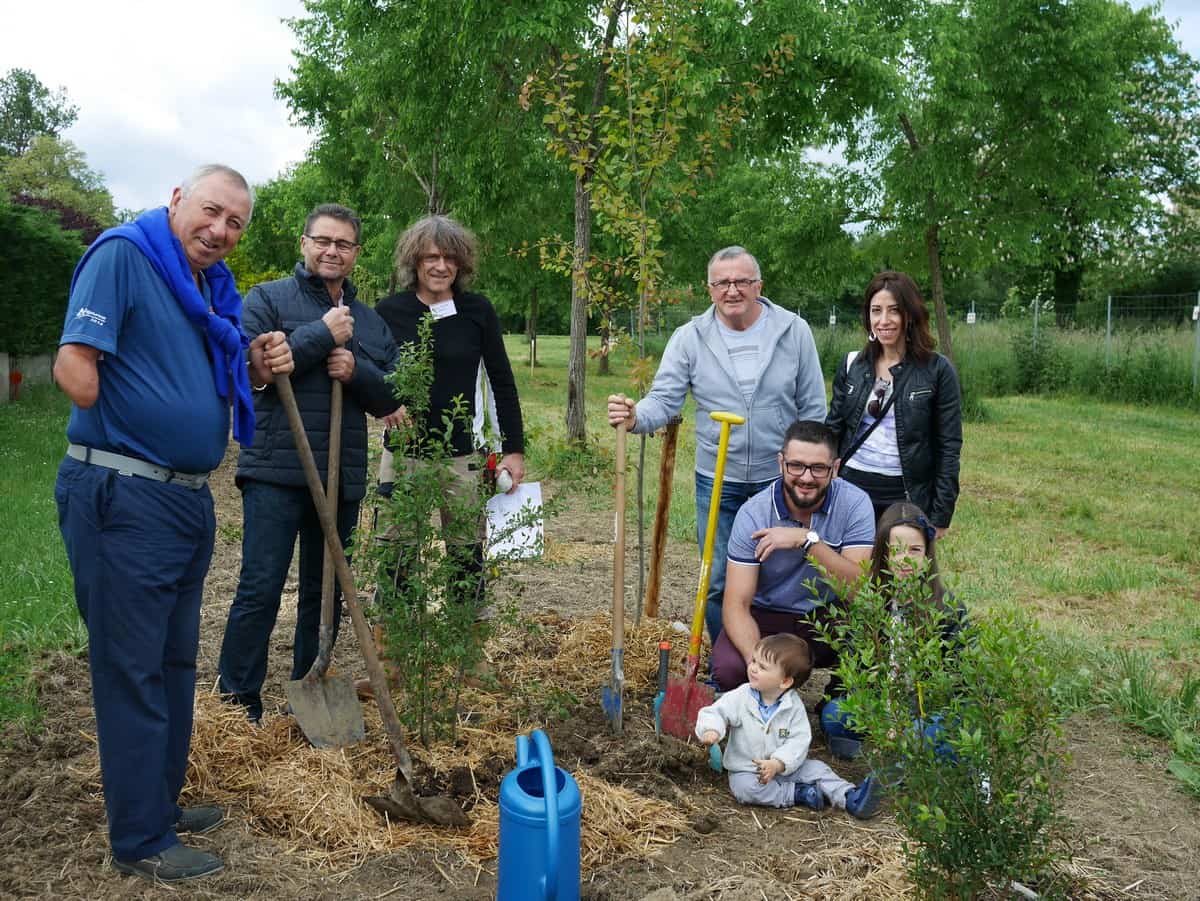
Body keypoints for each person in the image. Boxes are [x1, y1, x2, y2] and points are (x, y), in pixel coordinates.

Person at [53, 164, 293, 882]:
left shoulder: (206, 291)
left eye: (235, 224)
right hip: (124, 494)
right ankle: (139, 838)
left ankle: (158, 799)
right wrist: (98, 393)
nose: (220, 230)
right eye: (212, 211)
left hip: (185, 498)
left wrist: (250, 367)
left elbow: (196, 379)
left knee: (174, 663)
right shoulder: (125, 254)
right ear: (176, 200)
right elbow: (76, 362)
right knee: (131, 670)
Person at [217, 203, 400, 723]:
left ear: (356, 254)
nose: (331, 251)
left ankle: (308, 690)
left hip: (339, 477)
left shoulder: (370, 321)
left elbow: (394, 396)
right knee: (260, 585)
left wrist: (356, 369)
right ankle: (237, 702)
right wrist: (322, 335)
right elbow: (253, 373)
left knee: (324, 593)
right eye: (322, 240)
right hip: (276, 471)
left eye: (343, 244)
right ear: (304, 244)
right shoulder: (268, 299)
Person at [607, 247, 826, 643]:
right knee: (720, 575)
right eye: (722, 282)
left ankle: (779, 667)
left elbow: (813, 410)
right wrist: (636, 415)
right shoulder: (690, 338)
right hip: (718, 479)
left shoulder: (793, 332)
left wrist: (806, 470)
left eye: (742, 281)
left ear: (758, 285)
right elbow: (665, 399)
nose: (732, 290)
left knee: (781, 574)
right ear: (709, 289)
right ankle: (728, 669)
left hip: (779, 480)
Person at [373, 215, 525, 619]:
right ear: (414, 261)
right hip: (403, 452)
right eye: (431, 257)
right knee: (396, 553)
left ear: (462, 264)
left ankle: (468, 649)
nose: (441, 266)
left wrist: (513, 450)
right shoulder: (390, 311)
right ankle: (393, 657)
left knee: (465, 553)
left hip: (461, 455)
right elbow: (367, 371)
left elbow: (502, 382)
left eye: (450, 258)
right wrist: (381, 402)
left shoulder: (477, 311)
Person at [712, 420, 875, 693]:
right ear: (781, 463)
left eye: (819, 468)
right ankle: (759, 695)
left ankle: (838, 706)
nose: (806, 477)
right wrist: (762, 668)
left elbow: (859, 591)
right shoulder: (753, 513)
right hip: (766, 616)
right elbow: (736, 605)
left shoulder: (855, 504)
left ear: (835, 468)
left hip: (827, 614)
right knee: (729, 670)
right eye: (796, 465)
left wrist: (806, 541)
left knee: (870, 635)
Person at [819, 501, 969, 760]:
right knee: (834, 715)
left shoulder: (948, 609)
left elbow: (959, 681)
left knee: (939, 732)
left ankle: (905, 747)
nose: (905, 559)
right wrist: (878, 716)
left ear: (927, 554)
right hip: (882, 705)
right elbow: (853, 671)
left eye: (914, 549)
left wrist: (913, 723)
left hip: (926, 710)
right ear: (884, 555)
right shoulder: (869, 602)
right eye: (896, 550)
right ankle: (900, 749)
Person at [825, 271, 962, 535]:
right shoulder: (853, 364)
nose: (884, 320)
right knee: (849, 572)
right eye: (876, 311)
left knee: (900, 572)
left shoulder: (937, 370)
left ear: (910, 315)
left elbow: (949, 446)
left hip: (906, 493)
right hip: (851, 487)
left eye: (894, 311)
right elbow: (833, 428)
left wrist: (941, 513)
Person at [695, 634, 880, 816]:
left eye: (762, 667)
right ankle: (798, 793)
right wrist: (711, 729)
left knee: (817, 769)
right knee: (745, 790)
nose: (753, 668)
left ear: (785, 681)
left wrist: (778, 763)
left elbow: (799, 740)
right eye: (753, 661)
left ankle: (849, 797)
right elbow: (716, 712)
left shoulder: (793, 706)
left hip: (787, 768)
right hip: (748, 770)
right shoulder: (741, 697)